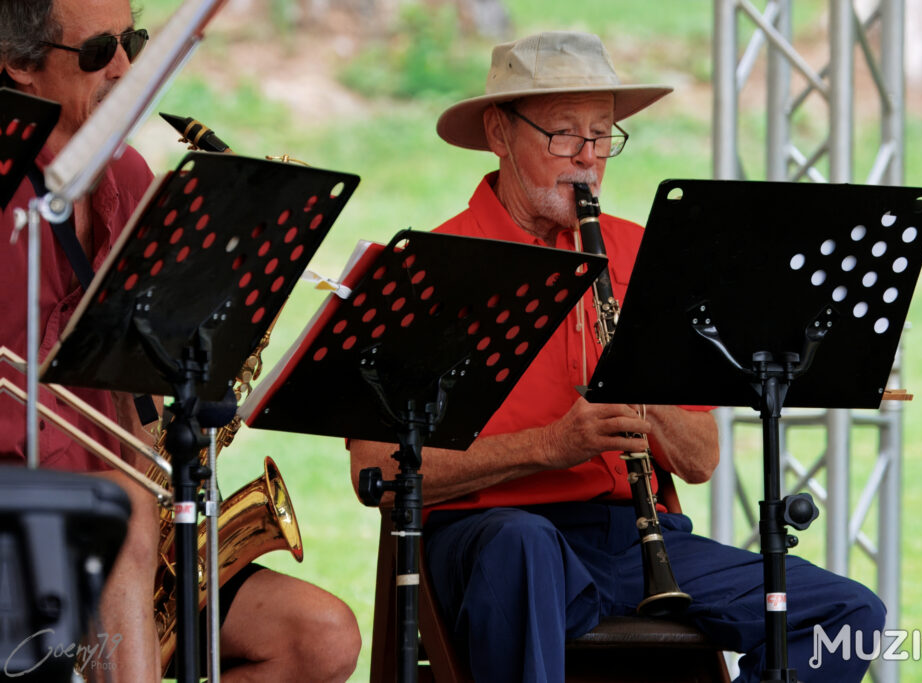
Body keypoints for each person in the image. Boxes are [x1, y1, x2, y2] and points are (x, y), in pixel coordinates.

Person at [349, 31, 886, 683]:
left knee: (847, 614)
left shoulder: (645, 256)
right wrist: (548, 444)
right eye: (563, 135)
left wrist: (646, 393)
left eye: (602, 135)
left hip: (633, 537)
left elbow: (701, 460)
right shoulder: (431, 266)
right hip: (489, 536)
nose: (589, 158)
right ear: (498, 131)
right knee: (524, 545)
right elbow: (376, 471)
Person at [0, 1, 359, 680]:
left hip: (126, 523)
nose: (127, 69)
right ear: (20, 64)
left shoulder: (133, 178)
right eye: (99, 50)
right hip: (29, 517)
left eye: (133, 41)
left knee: (322, 637)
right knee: (125, 506)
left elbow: (147, 366)